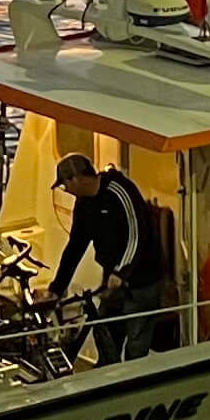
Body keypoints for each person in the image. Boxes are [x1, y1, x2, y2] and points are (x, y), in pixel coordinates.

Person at [48, 151, 165, 360]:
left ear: (77, 178)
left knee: (136, 343)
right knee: (106, 332)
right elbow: (75, 246)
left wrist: (121, 272)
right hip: (112, 278)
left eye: (65, 184)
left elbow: (137, 234)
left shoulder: (119, 190)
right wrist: (57, 288)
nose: (65, 190)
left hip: (142, 279)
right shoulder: (84, 204)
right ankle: (108, 373)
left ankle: (134, 381)